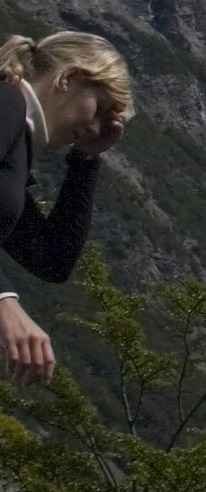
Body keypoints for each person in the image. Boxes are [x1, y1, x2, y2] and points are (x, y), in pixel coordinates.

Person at [0, 31, 133, 386]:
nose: (93, 127)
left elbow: (51, 258)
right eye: (99, 108)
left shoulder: (16, 137)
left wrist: (86, 159)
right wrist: (4, 303)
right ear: (69, 77)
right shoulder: (6, 104)